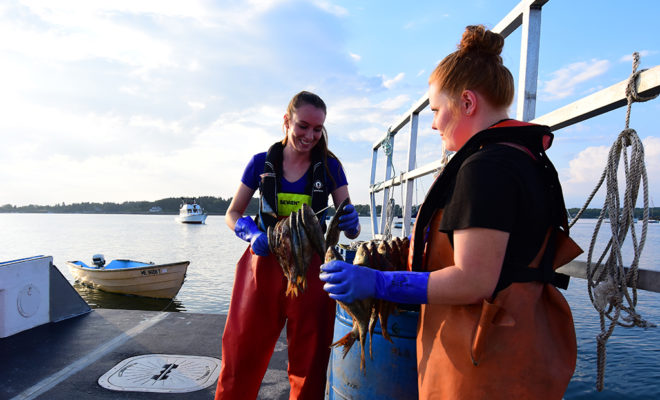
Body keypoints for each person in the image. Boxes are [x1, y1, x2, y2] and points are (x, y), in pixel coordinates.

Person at [320, 25, 582, 399]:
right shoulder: (525, 159)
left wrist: (378, 283)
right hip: (523, 346)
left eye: (437, 110)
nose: (431, 122)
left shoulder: (485, 168)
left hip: (483, 364)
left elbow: (473, 281)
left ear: (467, 103)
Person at [215, 90, 360, 400]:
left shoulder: (331, 167)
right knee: (241, 350)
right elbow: (232, 214)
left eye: (318, 129)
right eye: (303, 126)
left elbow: (348, 228)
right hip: (263, 264)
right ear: (286, 121)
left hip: (311, 267)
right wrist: (250, 233)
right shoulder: (259, 163)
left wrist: (352, 222)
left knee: (310, 359)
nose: (310, 135)